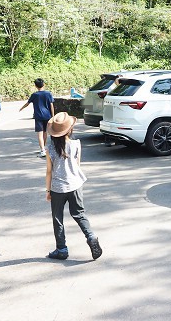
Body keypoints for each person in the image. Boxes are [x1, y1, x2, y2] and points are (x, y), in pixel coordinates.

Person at [44, 112, 102, 261]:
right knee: (79, 214)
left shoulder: (50, 149)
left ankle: (61, 249)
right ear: (70, 130)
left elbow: (49, 171)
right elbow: (77, 166)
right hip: (75, 184)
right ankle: (91, 237)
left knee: (58, 218)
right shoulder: (76, 144)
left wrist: (48, 190)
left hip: (58, 187)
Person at [20, 78, 55, 157]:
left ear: (35, 86)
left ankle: (42, 149)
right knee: (45, 132)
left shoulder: (35, 95)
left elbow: (27, 103)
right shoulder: (48, 94)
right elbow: (51, 105)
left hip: (38, 116)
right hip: (47, 116)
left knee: (40, 133)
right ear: (44, 84)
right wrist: (53, 116)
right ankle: (43, 148)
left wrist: (21, 108)